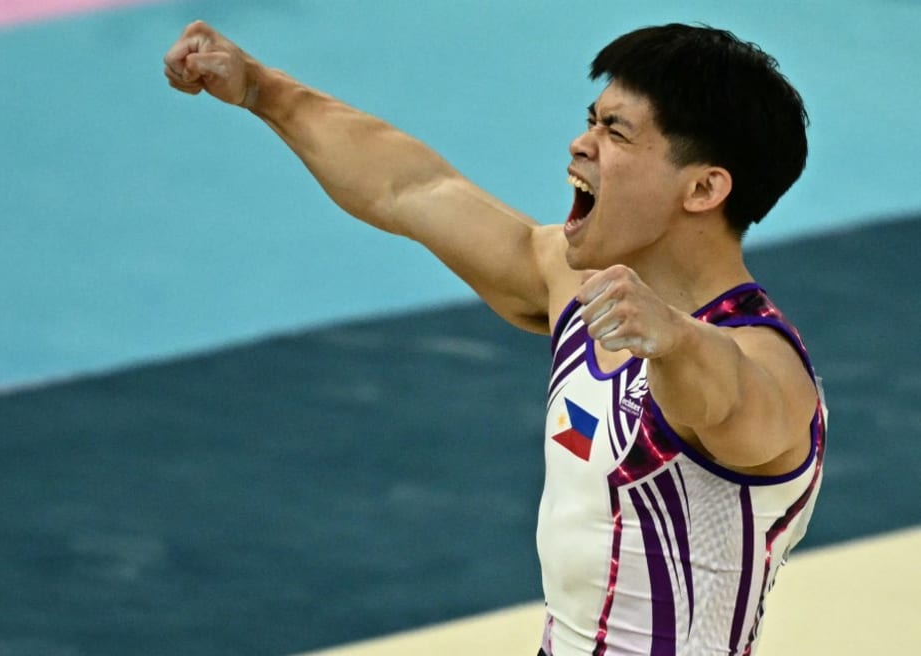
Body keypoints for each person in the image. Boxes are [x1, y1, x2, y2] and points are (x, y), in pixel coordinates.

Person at [163, 20, 827, 655]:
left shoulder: (766, 362)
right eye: (591, 120)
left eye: (617, 133)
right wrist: (263, 90)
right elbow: (412, 187)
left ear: (704, 187)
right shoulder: (574, 285)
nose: (580, 144)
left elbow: (734, 405)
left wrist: (678, 341)